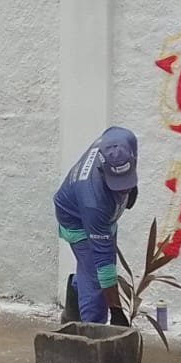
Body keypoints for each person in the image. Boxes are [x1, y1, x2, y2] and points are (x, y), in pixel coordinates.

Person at [54, 127, 139, 325]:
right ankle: (91, 333)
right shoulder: (93, 201)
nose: (123, 188)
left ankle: (74, 302)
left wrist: (132, 186)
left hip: (101, 216)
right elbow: (104, 265)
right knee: (96, 280)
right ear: (102, 171)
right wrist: (116, 311)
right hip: (75, 218)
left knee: (90, 268)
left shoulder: (124, 138)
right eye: (118, 183)